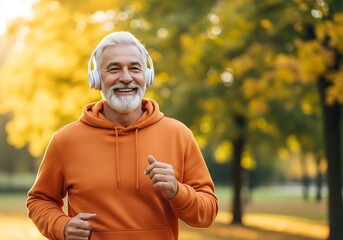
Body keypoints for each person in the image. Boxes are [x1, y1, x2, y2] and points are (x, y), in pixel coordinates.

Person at [26, 31, 218, 240]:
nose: (126, 78)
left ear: (147, 76)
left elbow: (207, 214)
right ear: (96, 78)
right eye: (114, 69)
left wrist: (176, 191)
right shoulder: (65, 140)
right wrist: (60, 226)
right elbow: (39, 200)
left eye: (134, 68)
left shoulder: (179, 135)